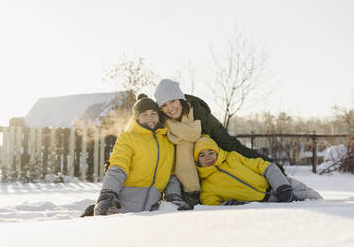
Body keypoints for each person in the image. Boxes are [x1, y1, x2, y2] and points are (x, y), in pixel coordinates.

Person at [153, 79, 283, 206]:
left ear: (180, 99)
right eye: (164, 105)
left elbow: (230, 145)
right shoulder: (162, 126)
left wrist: (272, 165)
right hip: (188, 185)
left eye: (173, 101)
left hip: (215, 176)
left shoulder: (201, 115)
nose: (170, 108)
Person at [91, 94, 191, 216]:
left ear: (159, 116)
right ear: (137, 118)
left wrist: (173, 195)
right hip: (121, 208)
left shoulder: (167, 140)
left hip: (151, 211)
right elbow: (118, 167)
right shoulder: (128, 138)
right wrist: (108, 192)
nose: (150, 118)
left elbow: (171, 174)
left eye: (153, 113)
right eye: (144, 115)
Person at [194, 135, 323, 205]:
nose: (208, 157)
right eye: (202, 155)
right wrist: (231, 204)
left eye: (211, 152)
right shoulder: (207, 186)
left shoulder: (232, 157)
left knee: (318, 202)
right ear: (197, 160)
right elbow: (213, 209)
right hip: (264, 204)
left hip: (279, 185)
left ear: (217, 152)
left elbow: (264, 166)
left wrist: (282, 187)